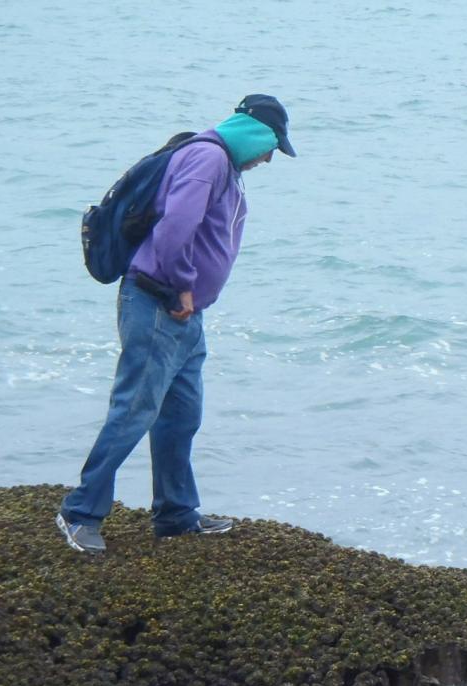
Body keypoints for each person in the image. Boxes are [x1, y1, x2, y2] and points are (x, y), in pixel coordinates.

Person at [56, 94, 296, 555]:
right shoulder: (207, 158)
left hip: (184, 315)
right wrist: (183, 285)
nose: (269, 159)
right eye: (272, 148)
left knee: (180, 416)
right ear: (257, 136)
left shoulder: (222, 164)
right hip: (158, 303)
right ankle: (79, 513)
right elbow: (173, 229)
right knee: (134, 411)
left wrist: (192, 296)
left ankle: (176, 514)